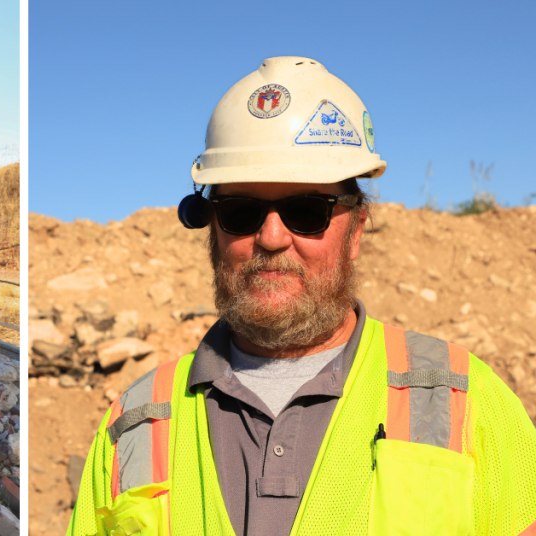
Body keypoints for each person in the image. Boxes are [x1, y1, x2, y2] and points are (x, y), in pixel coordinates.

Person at [66, 57, 536, 536]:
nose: (271, 238)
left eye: (306, 211)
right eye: (241, 211)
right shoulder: (135, 422)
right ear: (211, 229)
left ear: (356, 231)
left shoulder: (464, 398)